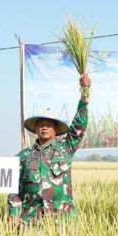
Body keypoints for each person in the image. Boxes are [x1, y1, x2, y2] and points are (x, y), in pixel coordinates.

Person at [8, 75, 91, 225]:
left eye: (48, 125)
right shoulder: (23, 156)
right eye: (41, 124)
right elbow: (15, 190)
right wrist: (14, 214)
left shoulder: (65, 148)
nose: (44, 127)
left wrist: (84, 98)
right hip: (32, 221)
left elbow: (79, 126)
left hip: (62, 221)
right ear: (35, 129)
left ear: (55, 129)